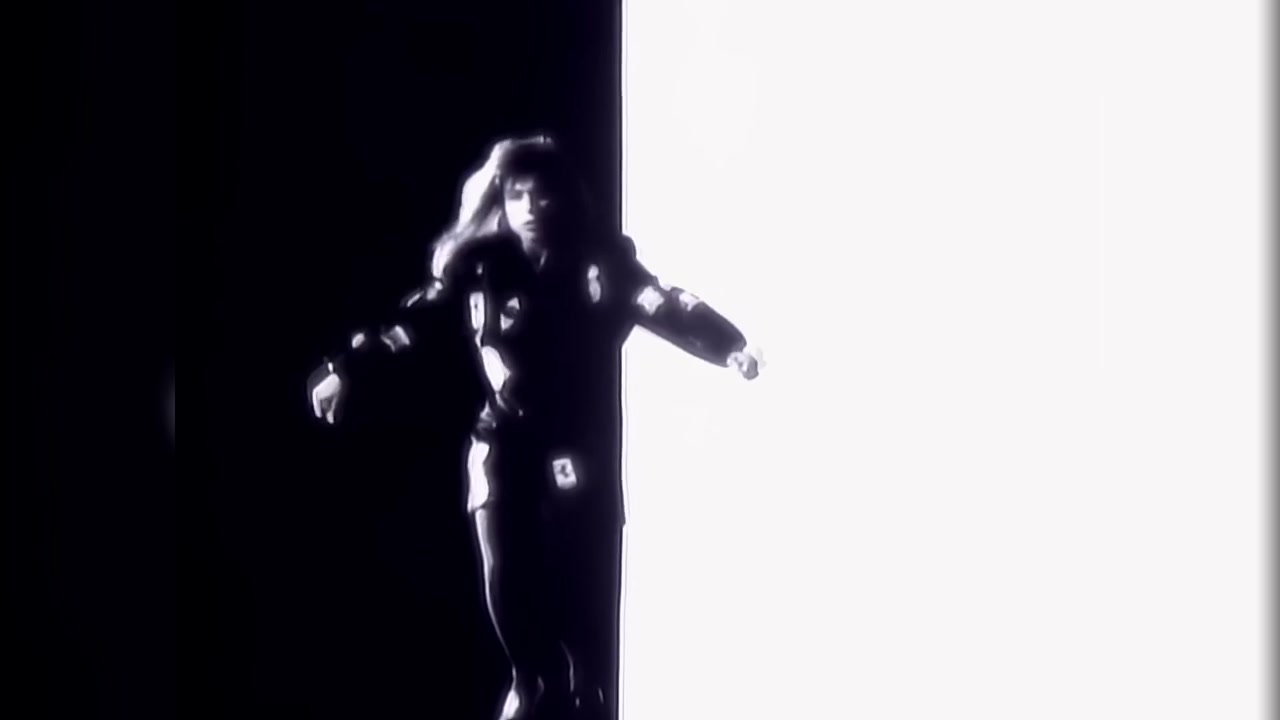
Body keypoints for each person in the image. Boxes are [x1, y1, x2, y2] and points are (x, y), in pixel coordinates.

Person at [308, 135, 759, 720]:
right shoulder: (479, 268)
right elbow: (412, 324)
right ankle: (530, 681)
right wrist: (345, 370)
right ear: (502, 200)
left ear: (563, 199)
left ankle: (586, 689)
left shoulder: (602, 264)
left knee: (580, 592)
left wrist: (729, 345)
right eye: (519, 195)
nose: (532, 208)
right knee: (507, 577)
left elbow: (665, 303)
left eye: (543, 196)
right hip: (502, 441)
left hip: (578, 448)